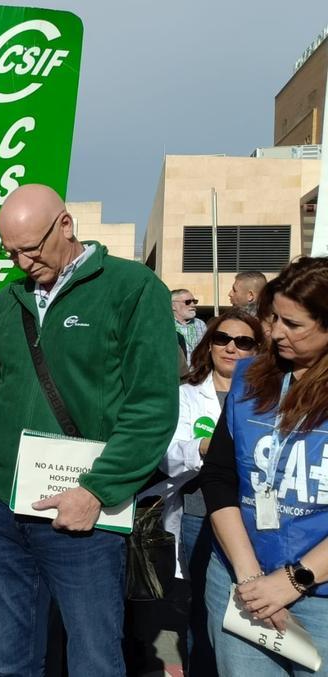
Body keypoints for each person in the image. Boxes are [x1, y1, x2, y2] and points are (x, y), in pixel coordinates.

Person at [0, 184, 178, 677]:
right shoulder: (9, 301)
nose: (22, 262)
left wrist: (97, 490)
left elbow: (151, 407)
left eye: (31, 248)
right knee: (9, 660)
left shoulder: (133, 288)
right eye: (10, 252)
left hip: (82, 513)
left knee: (94, 659)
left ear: (66, 224)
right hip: (0, 508)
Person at [200, 256, 328, 675]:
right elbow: (219, 475)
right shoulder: (251, 375)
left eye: (293, 324)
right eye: (274, 318)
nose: (273, 333)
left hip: (319, 597)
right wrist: (250, 576)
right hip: (241, 579)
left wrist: (292, 581)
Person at [148, 310, 263, 675]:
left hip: (253, 518)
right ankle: (187, 667)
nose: (231, 348)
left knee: (240, 606)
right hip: (196, 514)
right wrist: (201, 446)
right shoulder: (184, 395)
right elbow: (164, 455)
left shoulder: (267, 398)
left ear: (258, 350)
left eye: (243, 342)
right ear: (208, 344)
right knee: (193, 605)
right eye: (222, 339)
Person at [174, 288, 207, 358]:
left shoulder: (200, 324)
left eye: (194, 301)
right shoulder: (166, 325)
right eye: (188, 302)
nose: (193, 305)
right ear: (173, 306)